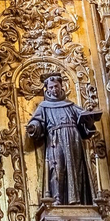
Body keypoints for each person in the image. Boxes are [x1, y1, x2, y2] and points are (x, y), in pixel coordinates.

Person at [26, 73, 99, 206]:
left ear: (61, 86)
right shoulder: (44, 106)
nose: (54, 89)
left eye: (56, 86)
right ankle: (57, 197)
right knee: (56, 167)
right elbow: (37, 121)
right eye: (51, 87)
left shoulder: (70, 105)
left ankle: (75, 199)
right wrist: (34, 127)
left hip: (73, 139)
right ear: (47, 89)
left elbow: (83, 119)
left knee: (75, 168)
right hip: (55, 138)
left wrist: (89, 122)